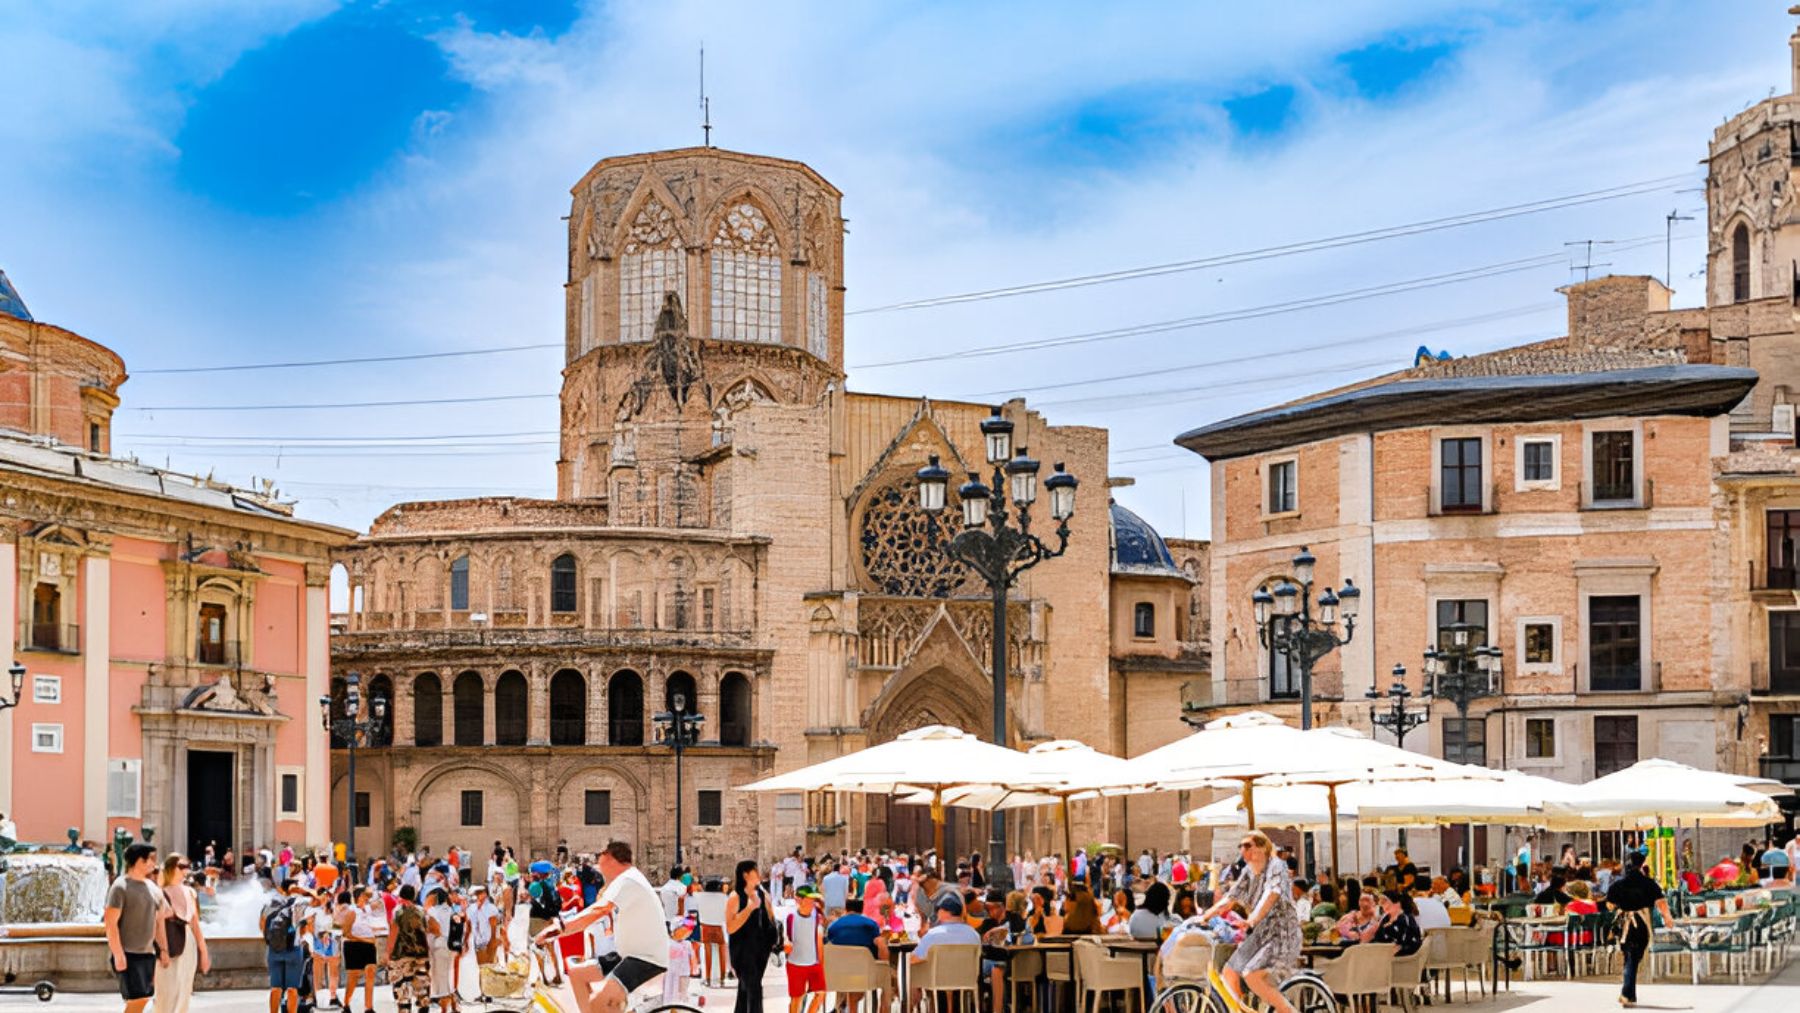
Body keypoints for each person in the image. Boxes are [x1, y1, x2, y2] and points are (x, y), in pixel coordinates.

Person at [538, 841, 672, 1013]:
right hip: (627, 955)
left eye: (601, 864)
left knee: (598, 1002)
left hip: (645, 959)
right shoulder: (626, 879)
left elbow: (599, 909)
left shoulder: (627, 879)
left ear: (612, 860)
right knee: (577, 973)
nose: (599, 870)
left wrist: (559, 928)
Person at [1197, 831, 1302, 1013]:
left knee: (1251, 974)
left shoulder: (1276, 866)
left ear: (1262, 848)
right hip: (1261, 932)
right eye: (1241, 846)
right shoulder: (1248, 871)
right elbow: (1230, 898)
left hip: (1282, 932)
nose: (1243, 850)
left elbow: (1272, 893)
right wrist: (1206, 916)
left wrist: (1253, 919)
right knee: (1229, 972)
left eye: (1248, 846)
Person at [1607, 852, 1673, 1008]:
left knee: (1630, 956)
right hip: (1641, 923)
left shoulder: (1617, 885)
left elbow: (1610, 905)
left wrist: (1621, 904)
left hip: (1624, 924)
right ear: (1642, 865)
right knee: (1634, 957)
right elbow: (1661, 903)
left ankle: (1630, 994)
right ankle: (1626, 993)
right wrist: (1668, 918)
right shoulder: (1649, 884)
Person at [104, 842, 165, 1013]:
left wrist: (163, 950)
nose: (154, 863)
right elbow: (110, 923)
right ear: (139, 860)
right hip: (129, 954)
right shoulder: (120, 887)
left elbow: (161, 919)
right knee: (136, 1000)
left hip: (148, 954)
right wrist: (118, 954)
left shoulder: (153, 888)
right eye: (151, 859)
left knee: (144, 998)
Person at [152, 852, 208, 1013]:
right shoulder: (159, 893)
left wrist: (203, 951)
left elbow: (195, 923)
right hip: (170, 941)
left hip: (188, 941)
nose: (186, 870)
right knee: (166, 991)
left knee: (184, 989)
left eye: (187, 867)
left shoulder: (190, 892)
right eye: (182, 866)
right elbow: (158, 923)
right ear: (170, 868)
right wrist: (163, 950)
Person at [724, 859, 779, 1013]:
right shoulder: (735, 897)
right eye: (755, 871)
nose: (759, 874)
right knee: (753, 987)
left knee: (746, 989)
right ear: (746, 875)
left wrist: (777, 940)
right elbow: (730, 927)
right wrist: (749, 908)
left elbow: (772, 918)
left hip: (761, 949)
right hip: (742, 950)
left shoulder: (763, 894)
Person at [260, 881, 309, 1013]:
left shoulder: (270, 903)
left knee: (276, 988)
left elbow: (262, 924)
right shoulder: (300, 904)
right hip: (294, 949)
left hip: (274, 950)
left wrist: (271, 941)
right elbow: (304, 929)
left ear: (282, 889)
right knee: (292, 989)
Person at [387, 885, 432, 1013]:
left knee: (402, 988)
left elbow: (393, 934)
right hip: (421, 955)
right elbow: (426, 931)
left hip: (401, 955)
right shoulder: (421, 911)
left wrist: (388, 954)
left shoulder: (398, 912)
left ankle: (405, 1009)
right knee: (422, 987)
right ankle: (423, 1007)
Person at [783, 886, 827, 1013]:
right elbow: (786, 937)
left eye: (813, 899)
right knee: (796, 998)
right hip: (796, 963)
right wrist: (786, 944)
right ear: (799, 900)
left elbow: (819, 939)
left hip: (813, 962)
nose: (812, 902)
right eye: (809, 899)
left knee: (820, 993)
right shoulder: (791, 916)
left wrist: (821, 962)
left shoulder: (817, 915)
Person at [341, 886, 385, 1013]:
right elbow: (346, 933)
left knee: (370, 972)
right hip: (354, 945)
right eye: (366, 895)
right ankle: (346, 1003)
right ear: (360, 896)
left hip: (369, 944)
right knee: (353, 977)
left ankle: (368, 1007)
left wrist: (377, 931)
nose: (368, 897)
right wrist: (366, 940)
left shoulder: (367, 910)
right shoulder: (351, 911)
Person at [303, 887, 340, 1012]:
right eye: (321, 895)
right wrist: (312, 943)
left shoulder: (334, 909)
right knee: (317, 971)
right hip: (318, 943)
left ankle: (333, 996)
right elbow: (308, 929)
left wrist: (329, 933)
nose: (324, 897)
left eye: (326, 895)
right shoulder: (312, 911)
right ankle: (317, 997)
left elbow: (338, 926)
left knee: (333, 970)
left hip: (332, 941)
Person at [469, 883, 504, 994]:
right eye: (477, 893)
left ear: (485, 894)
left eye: (481, 893)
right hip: (476, 943)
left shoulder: (491, 908)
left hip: (487, 942)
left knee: (488, 967)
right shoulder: (472, 908)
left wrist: (492, 942)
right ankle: (482, 991)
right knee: (479, 968)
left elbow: (494, 926)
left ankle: (487, 992)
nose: (478, 895)